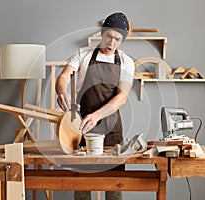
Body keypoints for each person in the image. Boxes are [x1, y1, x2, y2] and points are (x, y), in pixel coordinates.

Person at [55, 12, 134, 200]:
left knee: (114, 187)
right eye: (109, 36)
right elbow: (64, 76)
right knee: (82, 187)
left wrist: (98, 115)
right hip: (81, 129)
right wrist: (61, 90)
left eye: (117, 39)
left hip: (112, 131)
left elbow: (122, 96)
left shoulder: (126, 62)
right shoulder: (82, 55)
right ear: (102, 33)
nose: (111, 43)